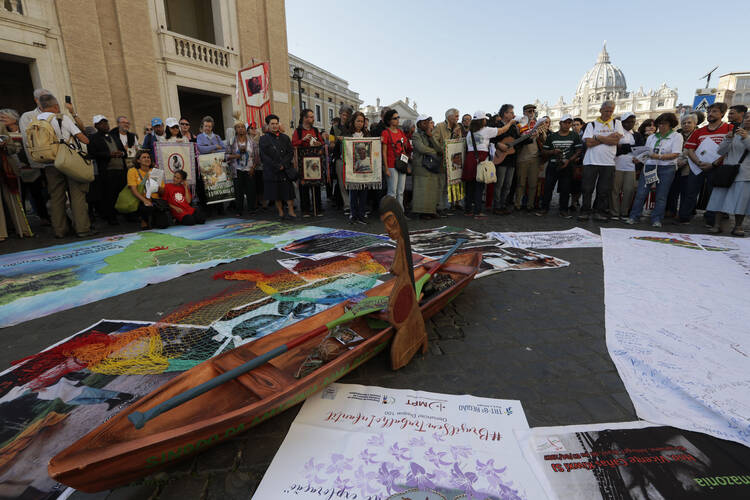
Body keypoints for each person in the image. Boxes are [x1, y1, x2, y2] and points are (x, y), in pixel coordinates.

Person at [35, 94, 93, 238]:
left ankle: (60, 230)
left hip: (49, 163)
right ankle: (82, 229)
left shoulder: (35, 121)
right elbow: (84, 139)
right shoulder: (61, 118)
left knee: (56, 197)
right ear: (55, 106)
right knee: (77, 195)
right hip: (68, 161)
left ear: (41, 107)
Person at [679, 102, 733, 224]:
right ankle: (684, 217)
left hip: (718, 168)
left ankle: (711, 219)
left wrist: (713, 164)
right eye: (709, 112)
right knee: (690, 192)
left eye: (714, 111)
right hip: (698, 167)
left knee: (713, 194)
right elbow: (690, 149)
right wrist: (698, 162)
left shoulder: (729, 129)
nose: (710, 114)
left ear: (722, 114)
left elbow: (729, 150)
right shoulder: (699, 131)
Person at [626, 113, 683, 227]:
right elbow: (646, 153)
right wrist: (638, 159)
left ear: (671, 125)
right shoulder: (652, 137)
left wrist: (659, 157)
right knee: (642, 192)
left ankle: (656, 219)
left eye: (664, 124)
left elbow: (675, 154)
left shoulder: (676, 136)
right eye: (660, 124)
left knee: (661, 195)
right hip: (650, 166)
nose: (661, 126)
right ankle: (634, 216)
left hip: (666, 168)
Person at [705, 112, 750, 236]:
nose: (748, 120)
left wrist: (746, 138)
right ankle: (717, 225)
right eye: (746, 117)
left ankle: (738, 226)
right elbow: (720, 151)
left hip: (745, 173)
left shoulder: (745, 135)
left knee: (741, 200)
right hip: (727, 170)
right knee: (720, 197)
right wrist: (727, 139)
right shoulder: (735, 134)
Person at [578, 101, 624, 221]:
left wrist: (597, 137)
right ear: (600, 110)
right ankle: (585, 211)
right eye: (606, 110)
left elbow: (615, 141)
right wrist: (608, 138)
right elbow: (588, 143)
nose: (609, 113)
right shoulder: (591, 125)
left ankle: (599, 211)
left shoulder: (617, 123)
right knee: (587, 189)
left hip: (608, 162)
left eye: (611, 111)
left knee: (603, 190)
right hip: (590, 161)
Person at [538, 114, 582, 217]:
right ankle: (544, 208)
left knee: (565, 189)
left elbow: (579, 150)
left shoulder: (574, 135)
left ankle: (563, 210)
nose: (567, 125)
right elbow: (544, 151)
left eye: (569, 123)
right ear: (560, 123)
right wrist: (553, 151)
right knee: (548, 187)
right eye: (565, 122)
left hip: (567, 166)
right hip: (553, 165)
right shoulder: (552, 136)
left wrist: (569, 160)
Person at [464, 110, 503, 219]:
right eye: (485, 119)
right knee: (479, 186)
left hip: (470, 159)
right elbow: (502, 130)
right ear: (482, 120)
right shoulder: (486, 130)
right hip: (480, 159)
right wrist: (511, 123)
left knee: (470, 186)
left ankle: (468, 210)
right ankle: (477, 212)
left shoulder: (469, 132)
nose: (486, 120)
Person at [89, 115, 127, 225]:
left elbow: (123, 151)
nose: (105, 125)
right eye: (101, 123)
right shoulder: (94, 138)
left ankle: (125, 214)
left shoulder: (114, 136)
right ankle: (111, 217)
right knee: (108, 195)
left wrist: (122, 153)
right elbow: (93, 153)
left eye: (106, 122)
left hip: (120, 169)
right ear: (96, 125)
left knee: (121, 193)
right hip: (107, 171)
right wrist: (108, 155)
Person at [260, 114, 296, 219]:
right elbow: (264, 156)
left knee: (289, 192)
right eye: (272, 124)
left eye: (276, 123)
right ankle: (280, 212)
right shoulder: (264, 139)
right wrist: (276, 166)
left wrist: (283, 165)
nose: (275, 126)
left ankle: (291, 210)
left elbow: (290, 152)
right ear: (268, 125)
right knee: (276, 193)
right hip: (273, 171)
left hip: (285, 169)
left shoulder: (285, 137)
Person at [610, 112, 644, 220]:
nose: (630, 124)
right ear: (622, 122)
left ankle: (624, 212)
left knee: (629, 190)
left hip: (631, 167)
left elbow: (640, 149)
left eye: (632, 122)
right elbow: (614, 148)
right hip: (616, 165)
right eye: (627, 122)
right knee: (615, 190)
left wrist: (623, 147)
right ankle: (614, 212)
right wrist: (630, 148)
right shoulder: (616, 134)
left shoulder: (637, 135)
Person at [292, 109, 325, 217]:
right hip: (303, 162)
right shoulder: (298, 131)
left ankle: (318, 208)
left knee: (316, 185)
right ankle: (305, 210)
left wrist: (318, 143)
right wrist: (303, 140)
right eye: (310, 117)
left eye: (312, 116)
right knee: (304, 186)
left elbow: (322, 143)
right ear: (304, 118)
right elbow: (293, 144)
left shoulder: (315, 130)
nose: (313, 119)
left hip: (315, 161)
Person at [514, 104, 546, 212]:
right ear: (524, 113)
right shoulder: (518, 125)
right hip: (522, 158)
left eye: (533, 111)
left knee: (533, 183)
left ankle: (530, 205)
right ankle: (517, 204)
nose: (531, 113)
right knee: (521, 183)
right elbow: (517, 140)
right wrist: (528, 136)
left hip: (535, 157)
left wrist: (542, 134)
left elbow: (544, 140)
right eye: (529, 111)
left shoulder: (537, 124)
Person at [667, 114, 699, 219]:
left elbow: (699, 151)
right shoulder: (676, 135)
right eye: (684, 123)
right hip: (674, 165)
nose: (686, 125)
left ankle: (685, 214)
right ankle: (671, 211)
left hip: (691, 167)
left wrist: (685, 160)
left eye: (689, 122)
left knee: (688, 191)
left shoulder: (698, 135)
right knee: (673, 190)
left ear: (695, 124)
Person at [410, 115, 442, 220]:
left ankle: (431, 211)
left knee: (432, 189)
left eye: (428, 122)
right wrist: (434, 152)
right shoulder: (416, 135)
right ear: (419, 124)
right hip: (421, 166)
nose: (427, 124)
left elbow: (439, 148)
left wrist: (431, 137)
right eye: (424, 122)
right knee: (421, 190)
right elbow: (421, 148)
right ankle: (422, 212)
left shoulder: (430, 135)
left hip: (432, 166)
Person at [127, 150, 168, 229]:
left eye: (148, 157)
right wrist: (145, 200)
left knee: (163, 225)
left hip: (155, 201)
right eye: (144, 157)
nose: (147, 159)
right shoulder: (132, 171)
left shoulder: (155, 172)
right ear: (138, 160)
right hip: (140, 200)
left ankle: (153, 219)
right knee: (146, 206)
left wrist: (157, 187)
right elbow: (133, 190)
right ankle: (143, 220)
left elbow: (162, 192)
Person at [432, 108, 462, 216]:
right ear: (449, 117)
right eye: (456, 116)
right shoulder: (439, 127)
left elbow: (458, 143)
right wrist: (442, 149)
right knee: (440, 185)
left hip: (452, 162)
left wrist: (456, 135)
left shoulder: (458, 128)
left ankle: (445, 206)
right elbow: (433, 141)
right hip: (441, 161)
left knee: (447, 186)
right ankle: (438, 207)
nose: (458, 118)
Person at [491, 104, 520, 215]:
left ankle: (503, 204)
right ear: (505, 113)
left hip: (511, 158)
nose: (513, 114)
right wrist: (498, 145)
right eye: (511, 112)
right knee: (499, 184)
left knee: (508, 184)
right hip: (500, 158)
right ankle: (496, 206)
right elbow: (490, 140)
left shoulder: (514, 127)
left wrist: (530, 137)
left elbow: (516, 142)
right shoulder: (496, 125)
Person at [380, 109, 412, 209]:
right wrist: (386, 168)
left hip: (401, 164)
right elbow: (384, 152)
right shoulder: (385, 133)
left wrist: (406, 165)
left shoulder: (400, 132)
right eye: (395, 118)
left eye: (398, 117)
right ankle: (391, 213)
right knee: (392, 191)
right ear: (389, 120)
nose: (398, 120)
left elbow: (404, 149)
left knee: (401, 191)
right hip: (391, 164)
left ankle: (400, 213)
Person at [227, 121, 258, 217]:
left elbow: (256, 156)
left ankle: (251, 209)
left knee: (251, 190)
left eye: (243, 127)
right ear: (235, 130)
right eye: (238, 127)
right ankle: (239, 210)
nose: (241, 129)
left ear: (246, 129)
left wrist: (253, 167)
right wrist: (235, 156)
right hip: (237, 170)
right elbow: (226, 156)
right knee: (238, 191)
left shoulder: (252, 141)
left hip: (249, 169)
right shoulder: (232, 141)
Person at [345, 111, 370, 225]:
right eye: (358, 121)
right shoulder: (347, 134)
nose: (360, 123)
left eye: (362, 121)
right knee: (353, 192)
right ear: (353, 121)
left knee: (364, 192)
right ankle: (353, 214)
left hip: (364, 168)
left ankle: (361, 214)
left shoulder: (367, 135)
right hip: (352, 168)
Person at [330, 104, 353, 215]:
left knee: (352, 181)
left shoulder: (351, 127)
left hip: (351, 158)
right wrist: (334, 142)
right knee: (342, 182)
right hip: (339, 157)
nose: (345, 117)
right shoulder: (334, 128)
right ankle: (347, 204)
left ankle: (353, 202)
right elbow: (331, 143)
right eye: (343, 114)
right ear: (340, 114)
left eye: (347, 115)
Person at [569, 117, 586, 209]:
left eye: (577, 125)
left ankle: (574, 202)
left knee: (579, 183)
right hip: (572, 162)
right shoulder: (570, 135)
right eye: (573, 125)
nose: (575, 127)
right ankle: (573, 201)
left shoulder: (585, 136)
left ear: (581, 125)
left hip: (582, 163)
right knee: (572, 184)